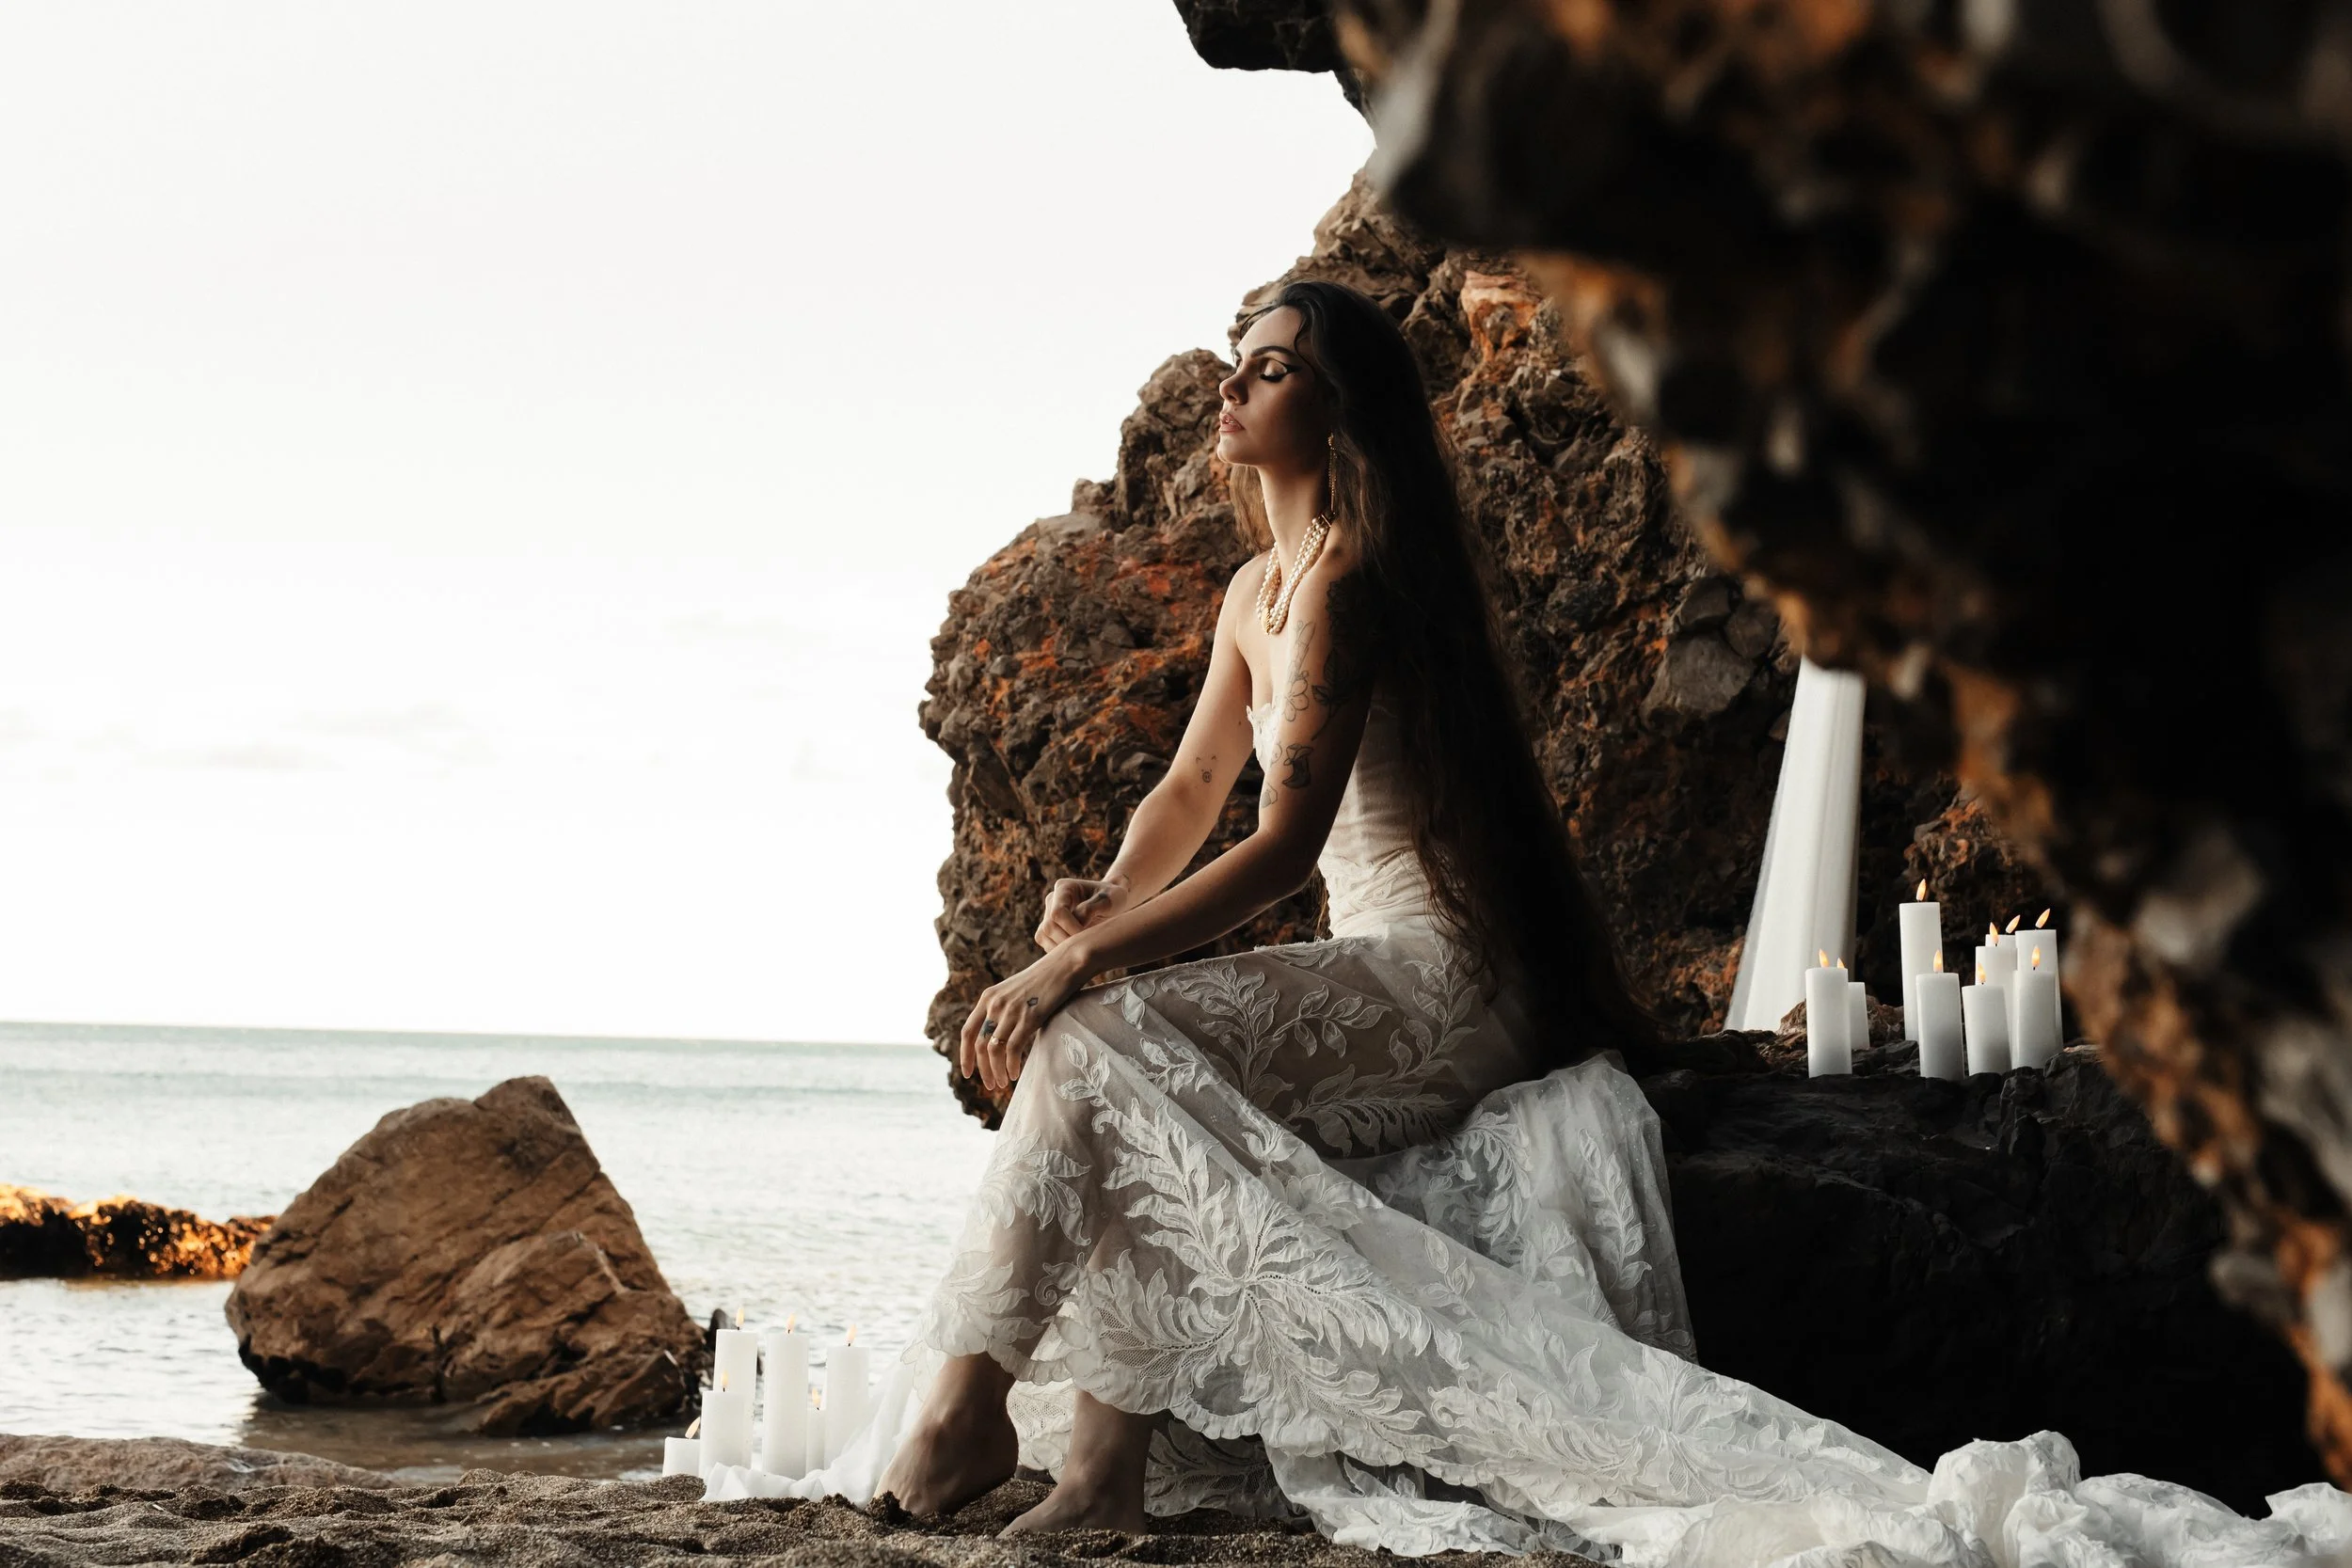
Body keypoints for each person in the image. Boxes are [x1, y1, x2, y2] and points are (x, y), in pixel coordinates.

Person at [855, 280, 2349, 1565]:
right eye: (1235, 356)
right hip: (1369, 960)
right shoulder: (1260, 581)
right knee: (1116, 1053)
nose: (1234, 384)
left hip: (1444, 977)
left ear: (1341, 406)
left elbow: (1282, 842)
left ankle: (972, 1402)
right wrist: (1106, 895)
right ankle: (1090, 1457)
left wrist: (1077, 958)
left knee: (1102, 1027)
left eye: (1272, 364)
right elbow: (1191, 786)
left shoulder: (1359, 578)